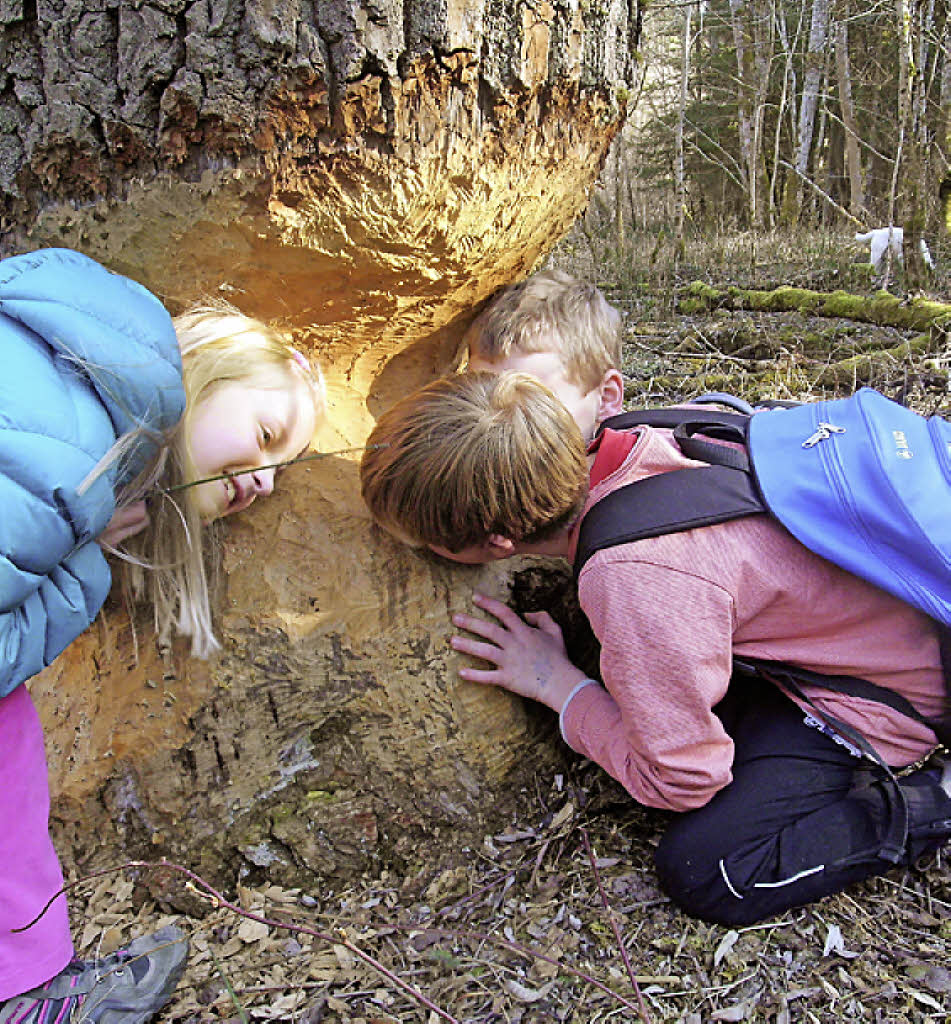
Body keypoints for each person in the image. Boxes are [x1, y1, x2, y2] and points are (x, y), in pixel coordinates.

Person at [359, 370, 951, 926]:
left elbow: (685, 779)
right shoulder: (651, 430)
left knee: (708, 870)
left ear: (496, 542)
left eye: (432, 546)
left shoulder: (634, 575)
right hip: (892, 599)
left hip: (896, 693)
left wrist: (558, 687)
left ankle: (936, 801)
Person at [0, 248, 324, 1022]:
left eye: (285, 465)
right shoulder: (70, 454)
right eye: (268, 432)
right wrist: (78, 550)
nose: (266, 479)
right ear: (209, 372)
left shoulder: (69, 407)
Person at [462, 269, 625, 441]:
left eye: (533, 402)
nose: (497, 423)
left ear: (606, 398)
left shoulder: (644, 465)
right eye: (479, 399)